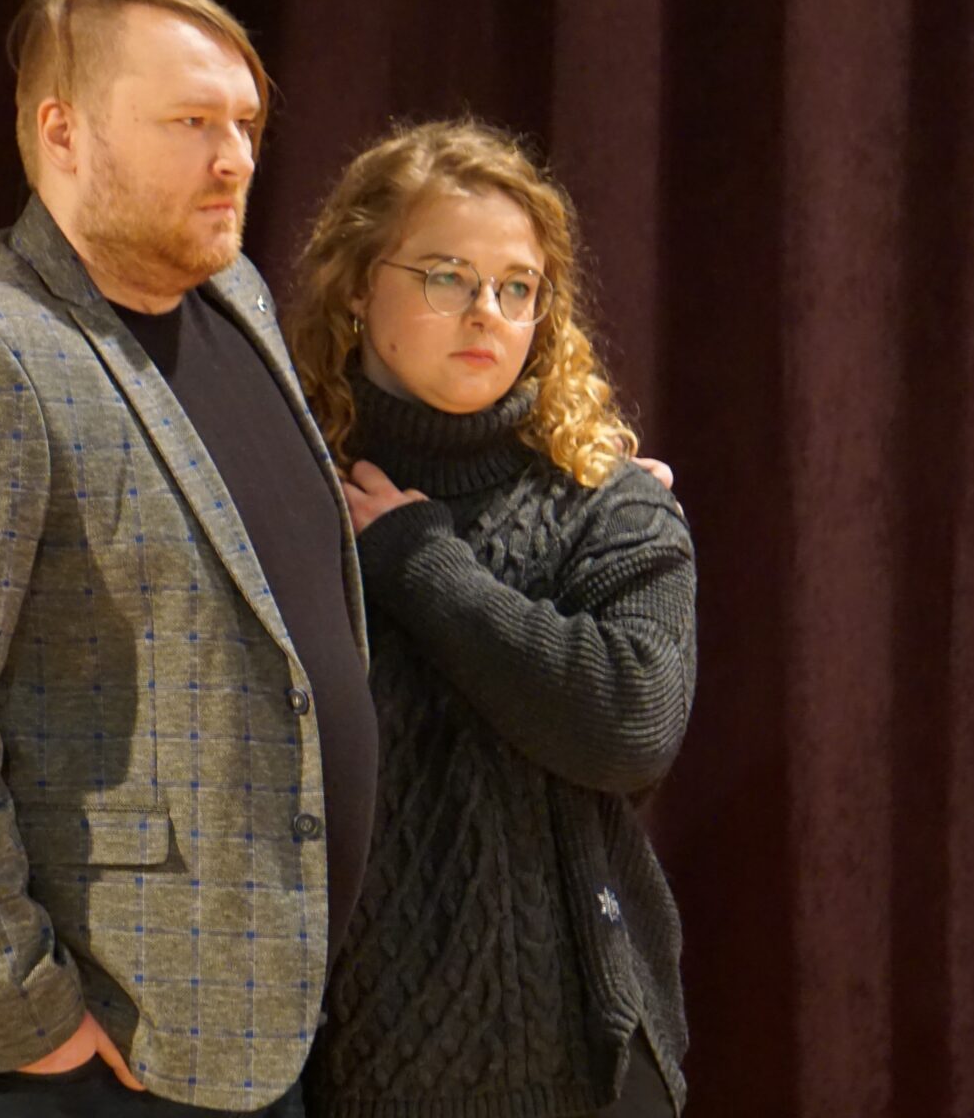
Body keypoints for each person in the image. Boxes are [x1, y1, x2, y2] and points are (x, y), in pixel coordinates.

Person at [0, 0, 375, 1115]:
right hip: (40, 1060)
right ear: (62, 131)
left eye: (246, 123)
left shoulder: (239, 302)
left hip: (228, 1035)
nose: (236, 158)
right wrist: (30, 1011)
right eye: (191, 122)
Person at [283, 118, 697, 1117]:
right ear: (358, 285)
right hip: (342, 1064)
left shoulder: (606, 500)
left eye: (518, 286)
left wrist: (422, 562)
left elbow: (631, 720)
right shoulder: (285, 497)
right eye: (446, 276)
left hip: (577, 1065)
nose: (487, 312)